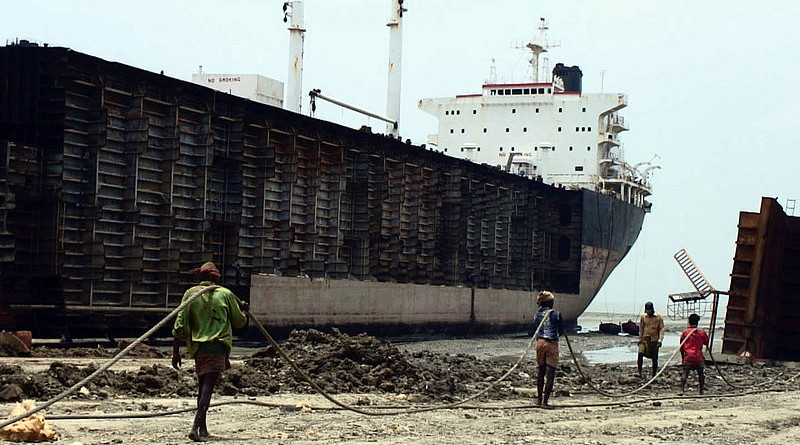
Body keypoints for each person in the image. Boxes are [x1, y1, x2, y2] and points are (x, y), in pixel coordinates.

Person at [172, 262, 249, 442]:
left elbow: (179, 326)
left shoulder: (190, 294)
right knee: (207, 388)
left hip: (198, 348)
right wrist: (244, 312)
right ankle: (195, 427)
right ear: (215, 278)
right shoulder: (225, 294)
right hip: (217, 346)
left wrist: (175, 352)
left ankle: (203, 427)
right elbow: (239, 322)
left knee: (202, 386)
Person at [531, 291, 564, 408]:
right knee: (551, 373)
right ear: (550, 303)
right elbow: (561, 330)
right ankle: (545, 402)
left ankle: (539, 400)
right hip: (551, 344)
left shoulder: (537, 314)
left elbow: (534, 328)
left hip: (540, 343)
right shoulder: (556, 314)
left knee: (541, 371)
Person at [679, 313, 709, 395]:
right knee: (701, 374)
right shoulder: (701, 333)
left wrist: (683, 358)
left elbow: (681, 347)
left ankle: (682, 390)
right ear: (697, 322)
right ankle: (701, 391)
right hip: (698, 358)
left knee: (685, 373)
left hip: (688, 357)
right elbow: (706, 342)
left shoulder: (685, 333)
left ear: (689, 321)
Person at [637, 301, 665, 377]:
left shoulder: (658, 317)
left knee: (654, 358)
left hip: (654, 340)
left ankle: (654, 374)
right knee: (640, 354)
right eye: (647, 311)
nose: (648, 313)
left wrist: (660, 340)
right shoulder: (643, 317)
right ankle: (639, 372)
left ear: (652, 309)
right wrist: (640, 339)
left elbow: (661, 329)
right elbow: (641, 328)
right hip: (644, 339)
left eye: (649, 311)